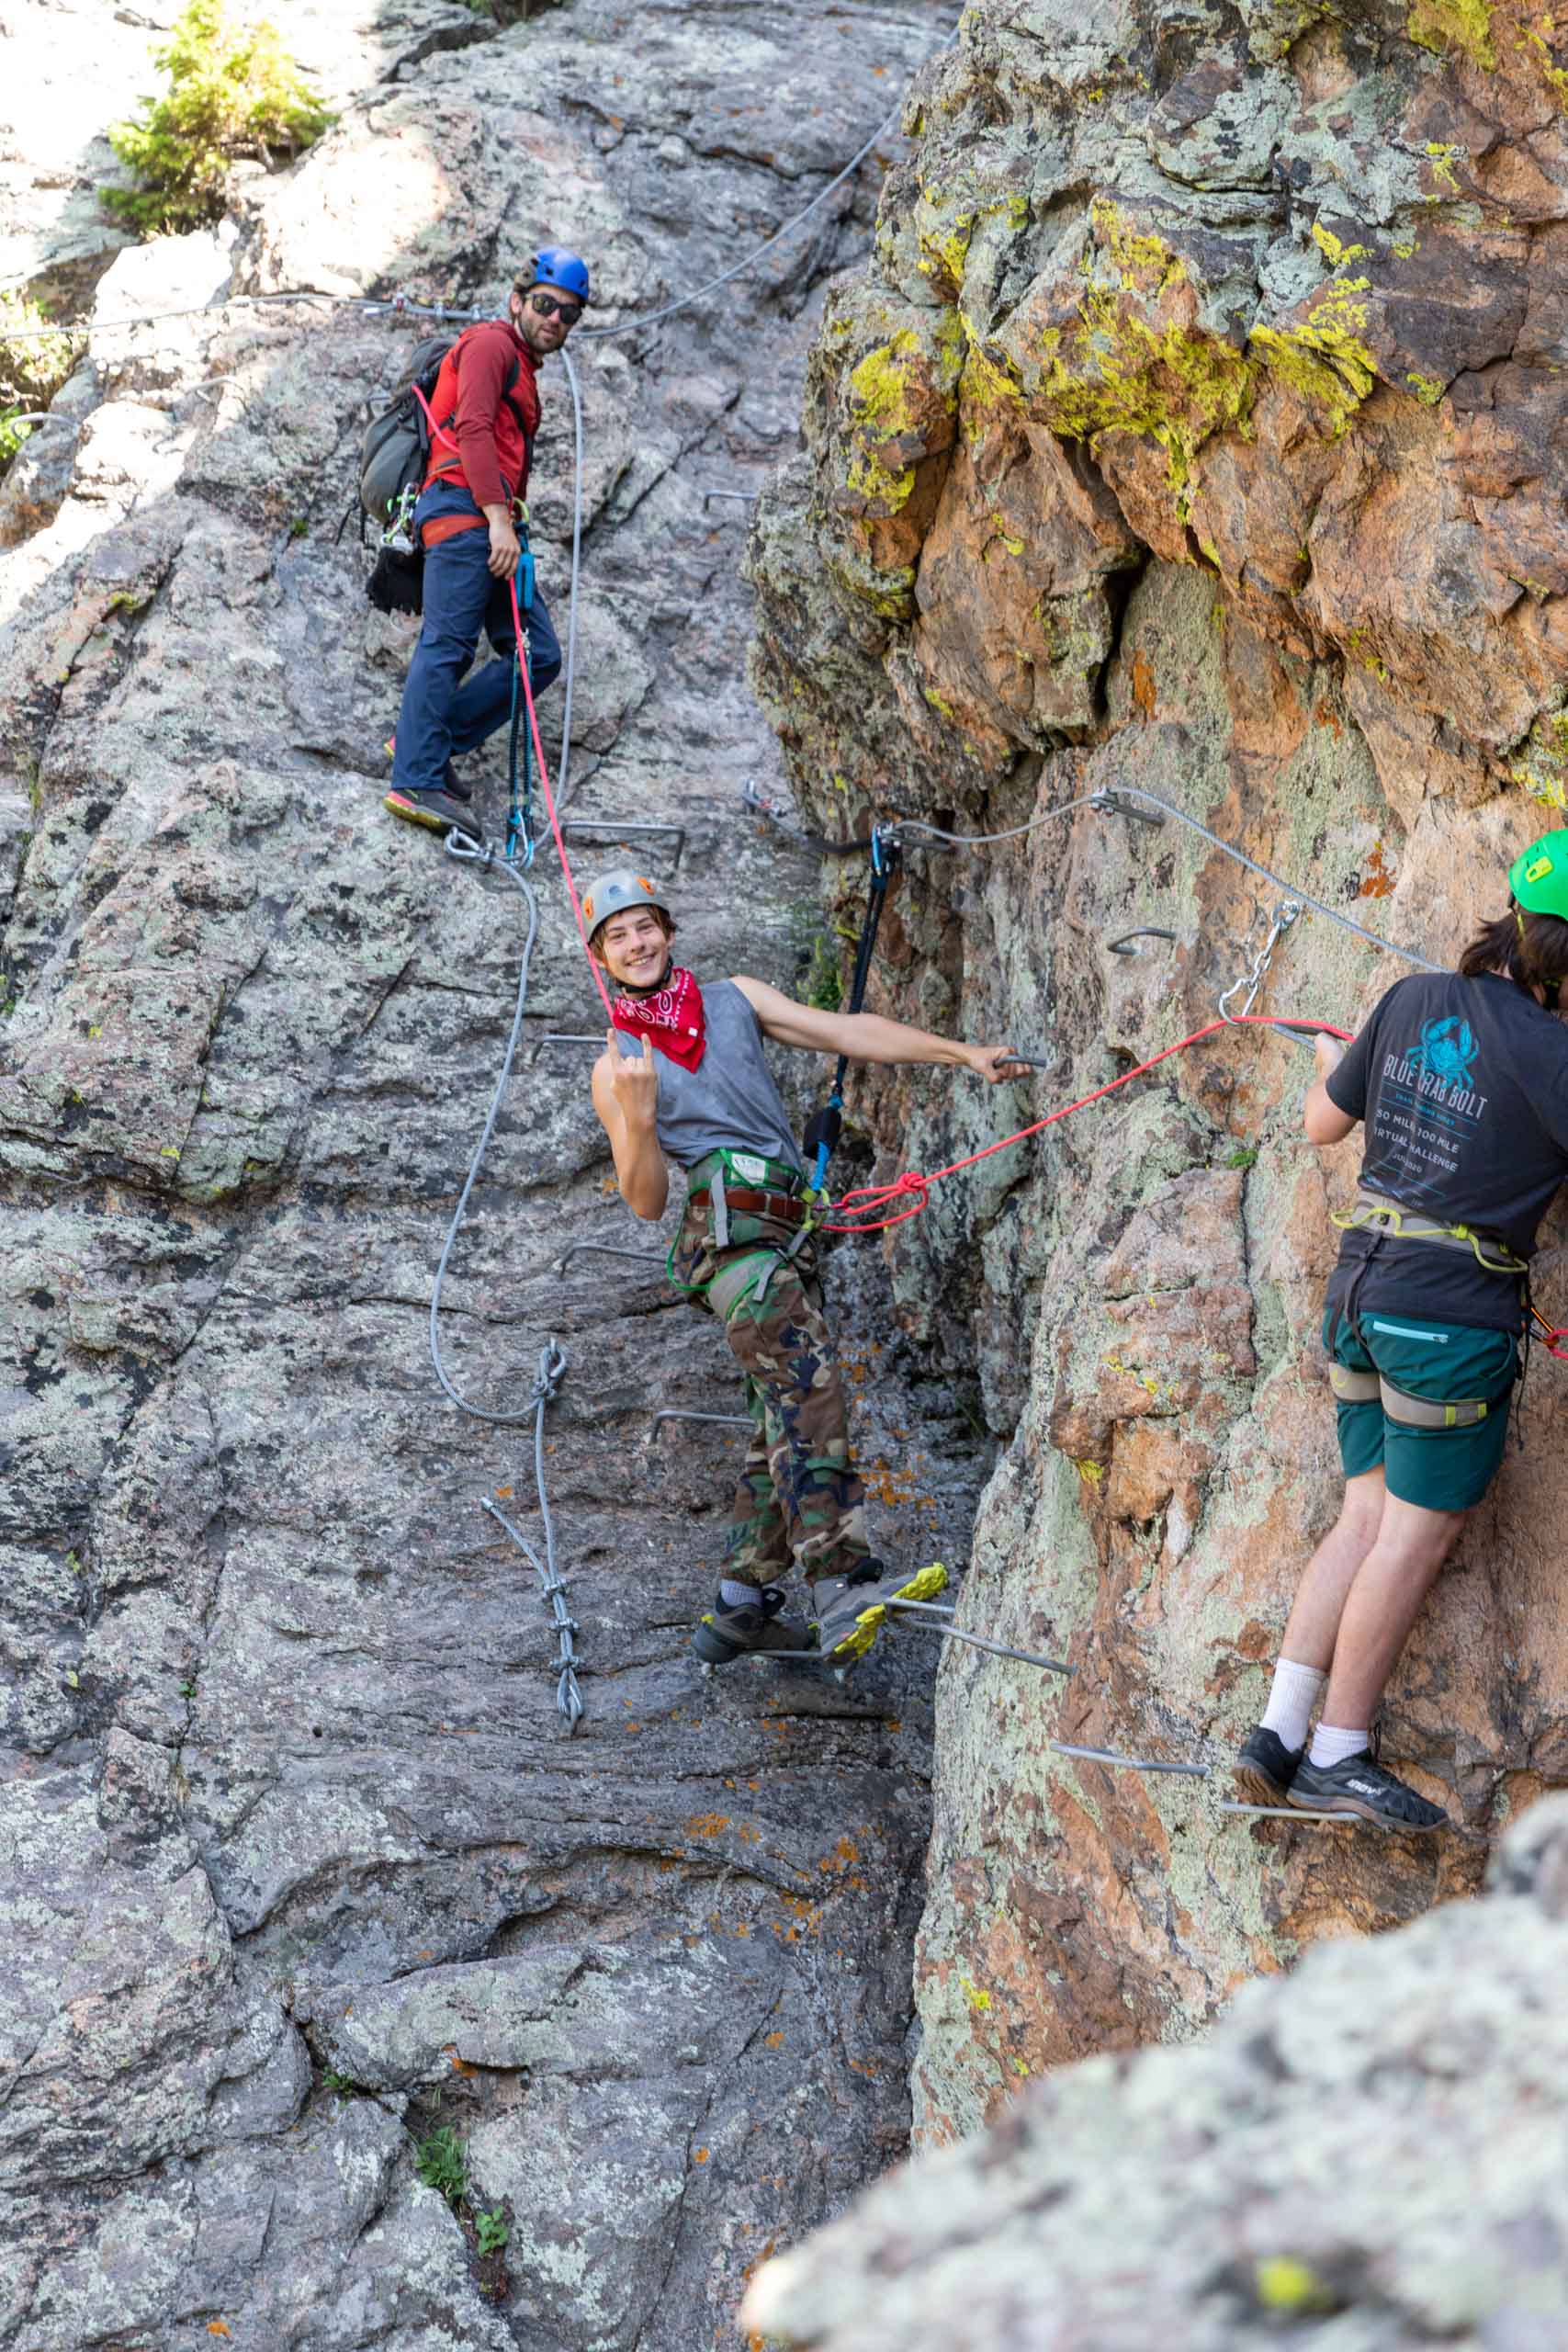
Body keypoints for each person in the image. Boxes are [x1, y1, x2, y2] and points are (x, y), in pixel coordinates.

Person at [583, 868, 1023, 1666]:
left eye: (645, 925)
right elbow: (645, 1201)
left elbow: (845, 1032)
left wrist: (960, 1054)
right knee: (810, 1393)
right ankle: (841, 1580)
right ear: (601, 957)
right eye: (618, 936)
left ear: (668, 932)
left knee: (778, 1417)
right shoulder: (617, 1065)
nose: (636, 942)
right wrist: (640, 1120)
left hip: (786, 1235)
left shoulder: (733, 999)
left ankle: (741, 1603)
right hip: (734, 1247)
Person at [1235, 830, 1568, 1831]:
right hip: (1445, 1319)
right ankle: (1337, 1751)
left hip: (1358, 1294)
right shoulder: (1557, 1056)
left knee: (1363, 1517)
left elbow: (1321, 1124)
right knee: (1414, 1537)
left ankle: (1275, 1733)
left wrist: (1343, 1065)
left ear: (1511, 912)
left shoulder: (1413, 996)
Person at [383, 248, 589, 845]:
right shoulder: (490, 345)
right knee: (448, 644)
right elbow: (471, 425)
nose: (555, 319)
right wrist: (498, 519)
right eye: (545, 304)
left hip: (493, 525)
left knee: (538, 655)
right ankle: (414, 777)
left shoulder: (519, 365)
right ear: (517, 301)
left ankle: (425, 740)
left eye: (569, 313)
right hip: (464, 514)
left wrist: (505, 525)